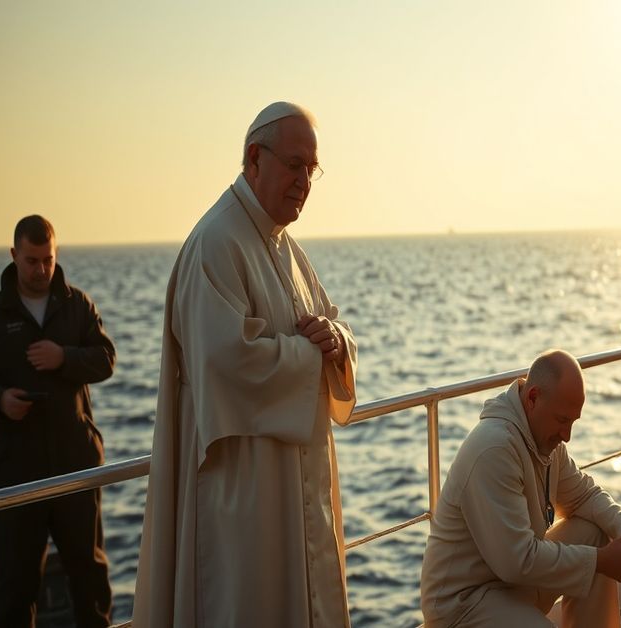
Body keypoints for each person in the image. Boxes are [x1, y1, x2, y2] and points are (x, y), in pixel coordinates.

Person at [133, 102, 359, 627]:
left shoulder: (286, 247)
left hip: (293, 486)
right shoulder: (216, 242)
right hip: (242, 490)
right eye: (294, 165)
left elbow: (332, 324)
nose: (304, 182)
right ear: (255, 159)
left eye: (312, 169)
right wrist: (311, 355)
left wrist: (336, 342)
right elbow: (224, 361)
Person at [421, 350, 621, 627]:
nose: (567, 435)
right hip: (463, 603)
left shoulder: (545, 441)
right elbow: (516, 560)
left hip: (510, 584)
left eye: (573, 422)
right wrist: (601, 561)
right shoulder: (494, 448)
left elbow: (585, 496)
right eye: (562, 420)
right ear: (532, 398)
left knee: (595, 532)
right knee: (595, 557)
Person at [0, 215, 115, 627]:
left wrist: (65, 358)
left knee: (90, 578)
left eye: (48, 259)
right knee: (16, 587)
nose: (41, 269)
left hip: (75, 464)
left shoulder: (77, 304)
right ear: (14, 255)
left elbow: (106, 359)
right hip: (16, 470)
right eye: (32, 261)